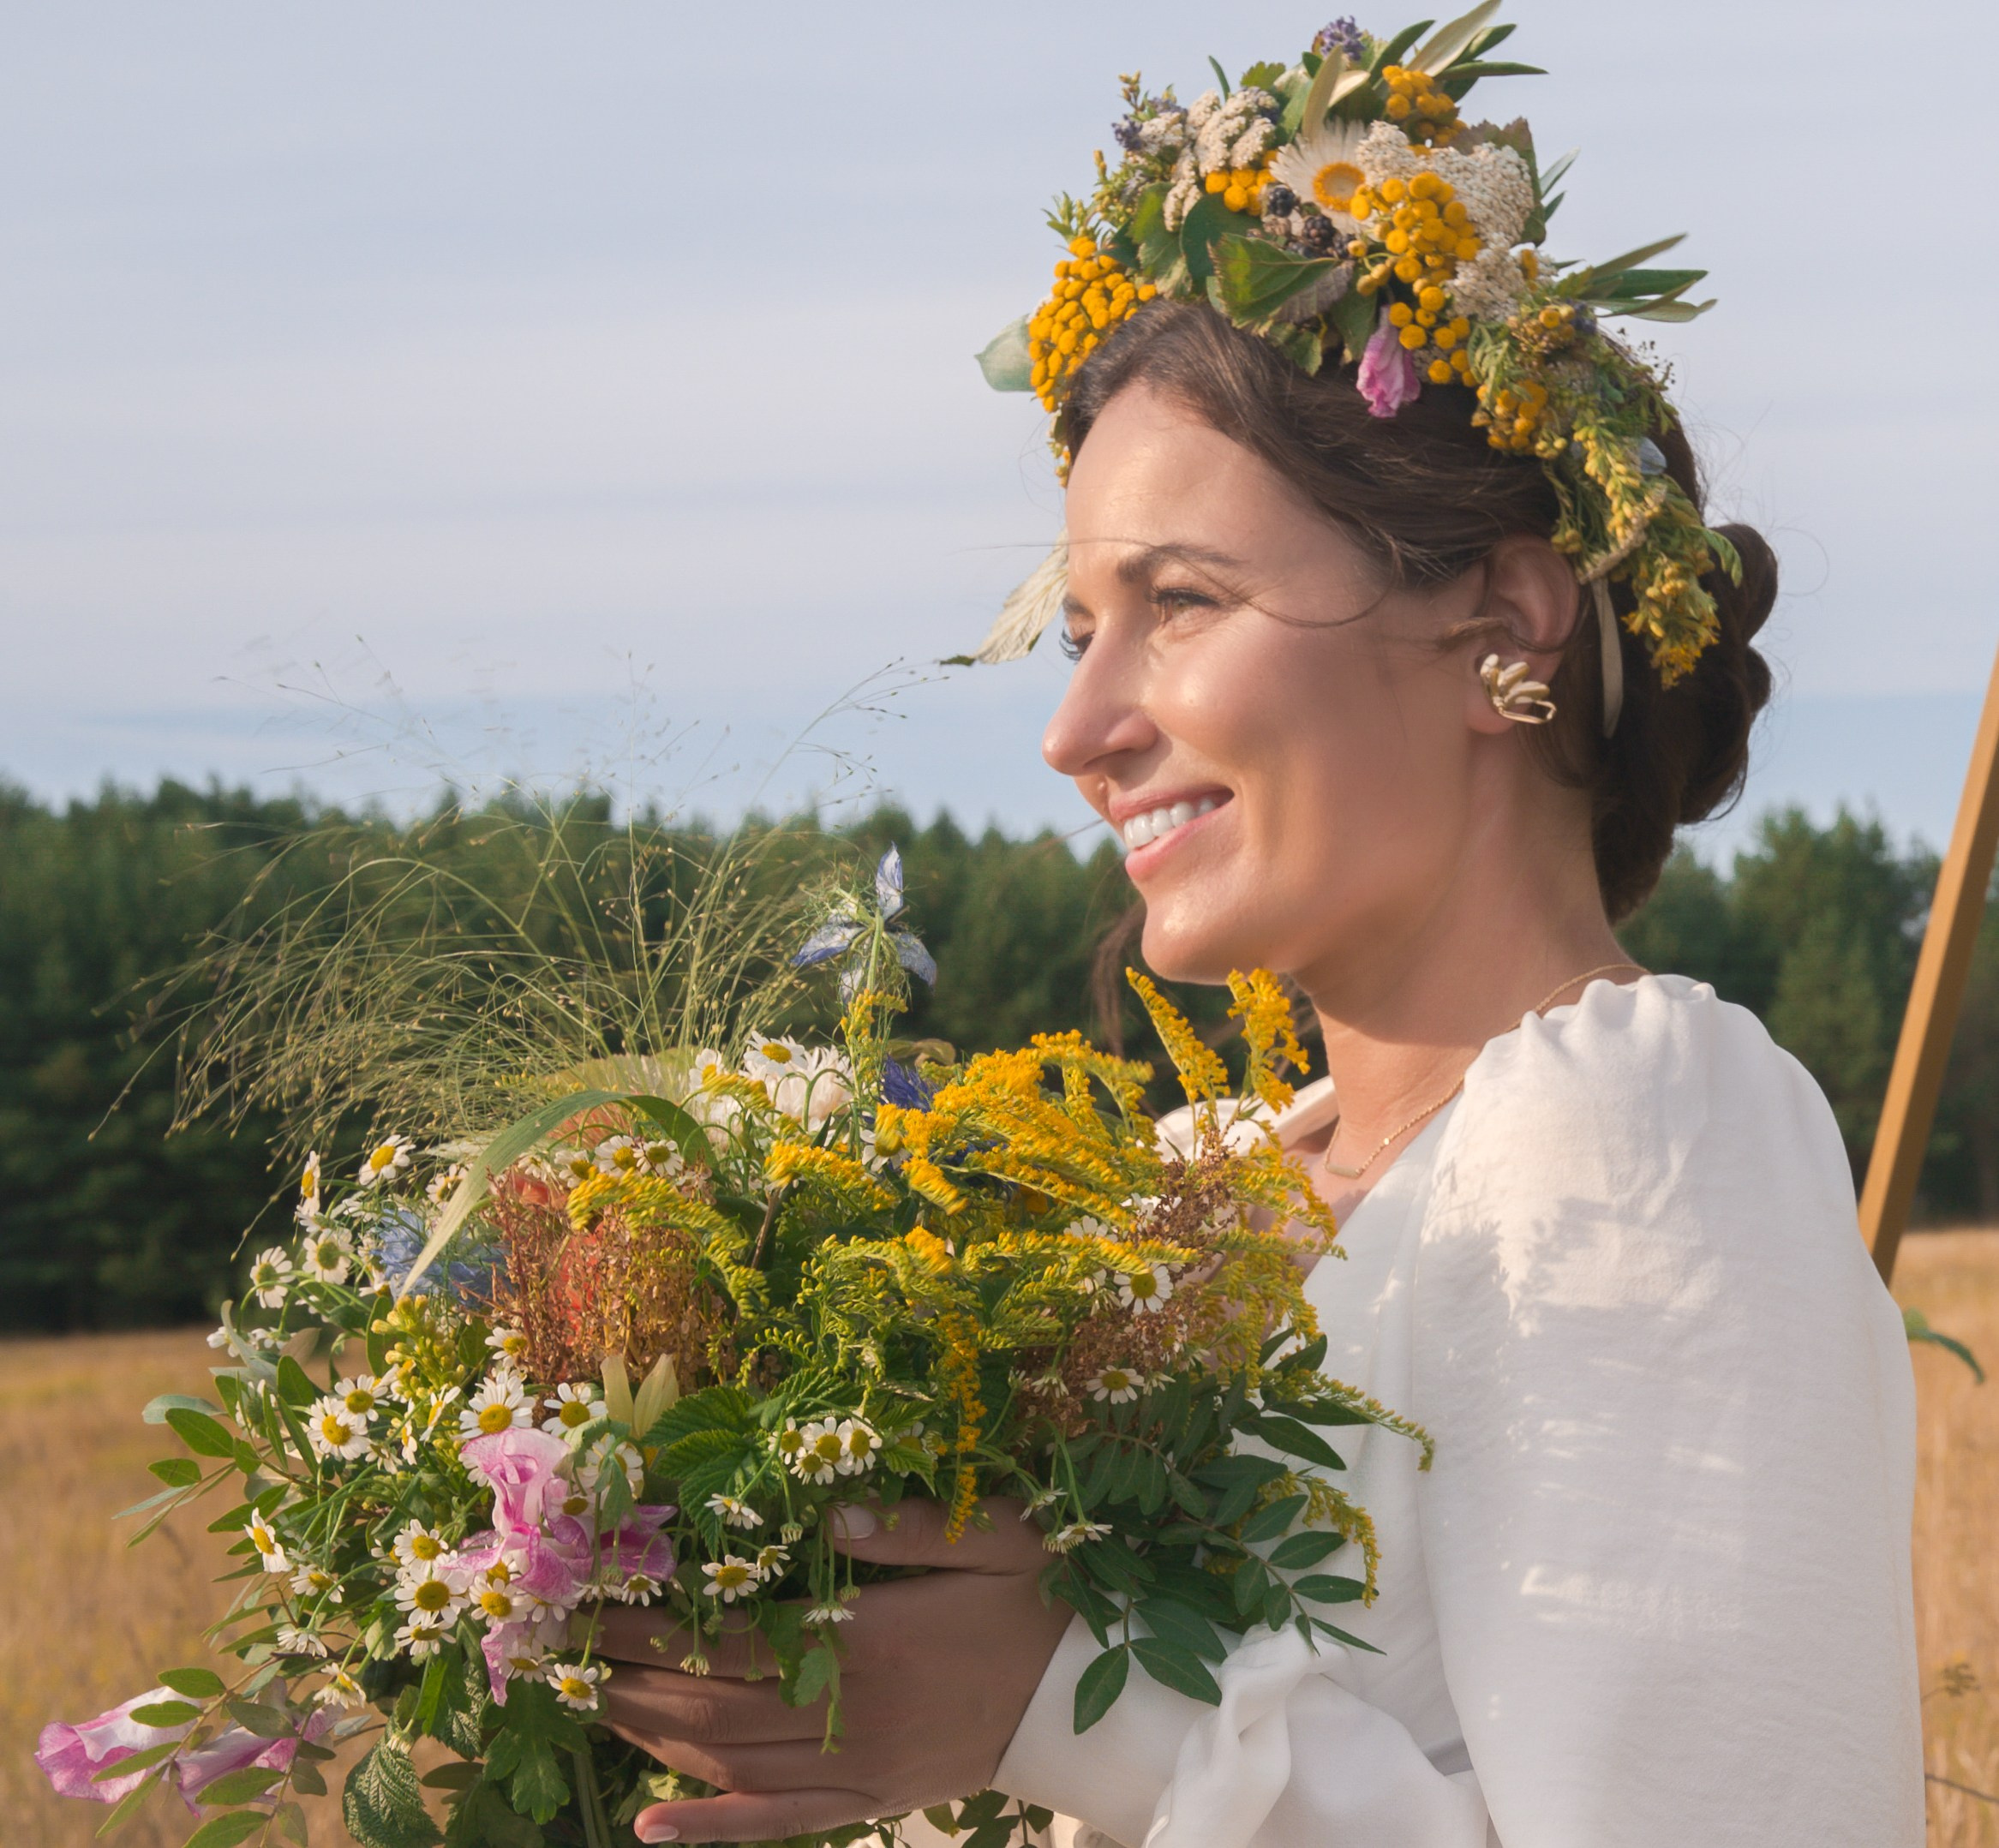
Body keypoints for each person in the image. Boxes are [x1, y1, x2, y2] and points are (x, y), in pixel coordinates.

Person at [596, 15, 1924, 1843]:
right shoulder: (1202, 1182)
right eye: (1082, 633)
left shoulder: (1623, 1136)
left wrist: (1054, 1701)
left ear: (1505, 631)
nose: (1078, 732)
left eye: (1184, 601)